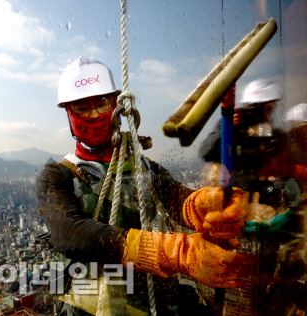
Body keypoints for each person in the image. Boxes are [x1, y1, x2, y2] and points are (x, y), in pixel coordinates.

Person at [36, 57, 260, 315]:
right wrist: (172, 252)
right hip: (88, 304)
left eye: (101, 104)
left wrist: (203, 205)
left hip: (145, 294)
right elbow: (68, 232)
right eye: (82, 108)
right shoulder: (57, 175)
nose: (95, 115)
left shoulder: (141, 166)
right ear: (68, 113)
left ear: (116, 106)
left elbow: (174, 196)